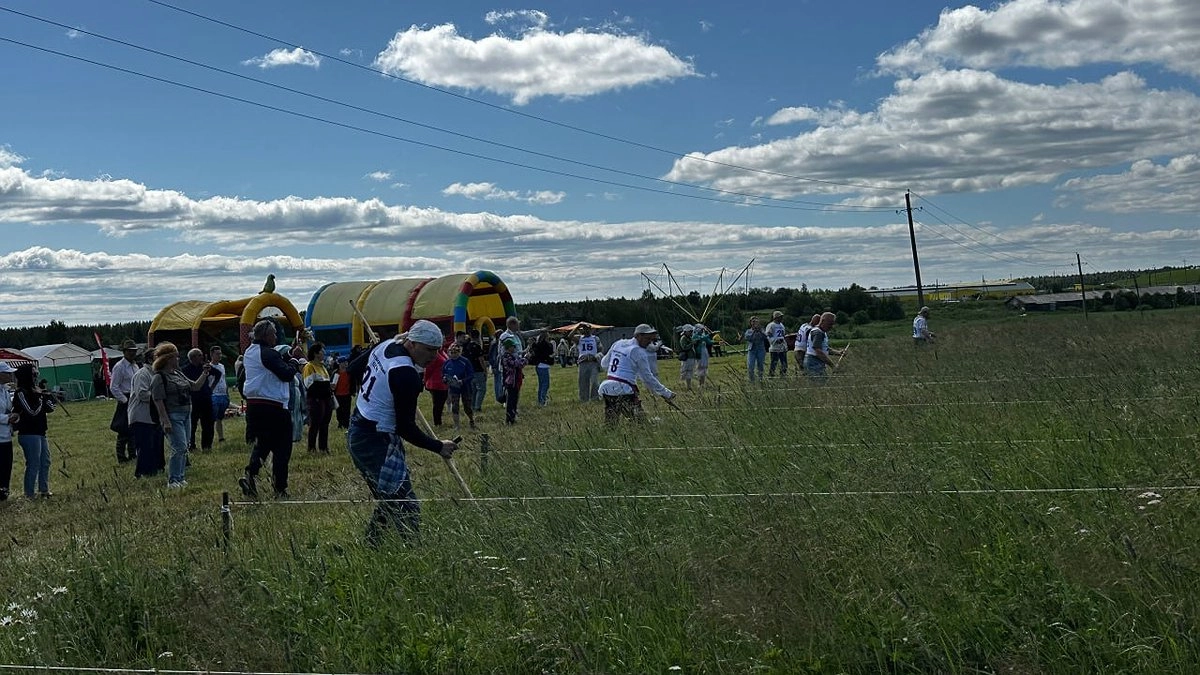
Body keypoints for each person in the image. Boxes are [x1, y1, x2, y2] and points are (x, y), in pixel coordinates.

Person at [346, 320, 458, 546]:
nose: (434, 356)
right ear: (412, 343)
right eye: (429, 350)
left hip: (359, 427)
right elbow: (405, 428)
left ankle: (371, 546)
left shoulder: (385, 345)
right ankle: (413, 553)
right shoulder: (405, 374)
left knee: (390, 500)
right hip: (375, 438)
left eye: (437, 350)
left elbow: (353, 369)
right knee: (407, 506)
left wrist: (379, 379)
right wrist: (438, 446)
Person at [238, 320, 300, 500]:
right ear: (266, 335)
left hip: (255, 405)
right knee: (282, 448)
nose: (275, 337)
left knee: (263, 444)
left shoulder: (250, 352)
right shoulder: (268, 354)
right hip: (273, 405)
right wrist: (295, 360)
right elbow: (286, 374)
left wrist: (287, 356)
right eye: (273, 334)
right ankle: (280, 488)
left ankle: (251, 475)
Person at [151, 342, 210, 489]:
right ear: (168, 359)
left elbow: (195, 386)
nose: (178, 359)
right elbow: (158, 400)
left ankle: (181, 476)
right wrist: (165, 421)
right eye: (176, 357)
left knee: (185, 447)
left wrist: (205, 374)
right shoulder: (159, 377)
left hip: (186, 414)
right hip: (173, 415)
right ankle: (173, 479)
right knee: (179, 447)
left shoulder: (178, 373)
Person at [598, 324, 675, 424]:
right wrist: (666, 393)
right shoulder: (638, 352)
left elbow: (604, 363)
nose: (649, 342)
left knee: (611, 424)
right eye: (647, 339)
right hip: (624, 390)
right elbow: (647, 377)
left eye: (651, 339)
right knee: (641, 424)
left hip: (607, 388)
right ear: (638, 336)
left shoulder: (618, 343)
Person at [13, 364, 57, 498]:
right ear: (26, 375)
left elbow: (51, 408)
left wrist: (47, 395)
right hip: (28, 433)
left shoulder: (36, 390)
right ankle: (29, 493)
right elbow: (31, 412)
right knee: (33, 463)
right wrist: (41, 398)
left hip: (41, 432)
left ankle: (44, 490)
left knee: (45, 461)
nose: (36, 376)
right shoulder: (21, 392)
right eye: (33, 374)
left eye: (36, 373)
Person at [128, 347, 165, 478]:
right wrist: (159, 397)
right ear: (150, 360)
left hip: (154, 416)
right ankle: (143, 473)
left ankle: (156, 470)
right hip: (141, 417)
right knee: (145, 447)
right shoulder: (142, 374)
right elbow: (142, 394)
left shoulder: (156, 373)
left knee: (156, 445)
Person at [108, 339, 139, 463]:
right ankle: (121, 457)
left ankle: (133, 454)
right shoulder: (119, 367)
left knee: (133, 428)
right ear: (124, 352)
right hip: (126, 399)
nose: (132, 354)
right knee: (123, 430)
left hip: (135, 398)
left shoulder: (135, 366)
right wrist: (124, 400)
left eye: (134, 351)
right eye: (130, 351)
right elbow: (113, 386)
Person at [303, 342, 335, 453]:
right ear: (316, 353)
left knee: (325, 424)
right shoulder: (309, 366)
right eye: (322, 351)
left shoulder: (323, 367)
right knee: (315, 424)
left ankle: (323, 447)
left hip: (326, 398)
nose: (324, 353)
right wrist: (326, 385)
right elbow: (309, 384)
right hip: (316, 399)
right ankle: (311, 448)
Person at [181, 348, 215, 453]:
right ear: (193, 357)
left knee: (208, 423)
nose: (202, 357)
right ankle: (191, 445)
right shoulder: (185, 370)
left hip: (205, 398)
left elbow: (217, 374)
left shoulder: (204, 367)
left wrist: (211, 387)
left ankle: (207, 445)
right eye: (199, 355)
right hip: (193, 399)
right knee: (192, 424)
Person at [442, 342, 476, 430]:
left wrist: (463, 381)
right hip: (453, 388)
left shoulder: (465, 361)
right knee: (455, 406)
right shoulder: (446, 363)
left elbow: (471, 374)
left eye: (455, 352)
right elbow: (443, 374)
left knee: (467, 406)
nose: (453, 354)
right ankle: (456, 425)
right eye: (451, 352)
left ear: (459, 352)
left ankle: (471, 420)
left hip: (465, 387)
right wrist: (445, 379)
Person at [804, 312, 844, 381]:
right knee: (820, 386)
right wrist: (832, 365)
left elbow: (825, 348)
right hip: (813, 363)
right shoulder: (818, 333)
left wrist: (839, 353)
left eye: (832, 324)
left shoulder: (821, 332)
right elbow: (818, 351)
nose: (831, 327)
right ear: (822, 321)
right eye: (830, 324)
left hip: (815, 362)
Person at [500, 338, 526, 424]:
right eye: (513, 346)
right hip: (511, 381)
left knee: (515, 399)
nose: (514, 348)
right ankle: (509, 418)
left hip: (515, 380)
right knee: (511, 400)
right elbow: (516, 364)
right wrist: (525, 359)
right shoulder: (506, 356)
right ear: (508, 347)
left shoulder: (511, 356)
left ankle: (513, 417)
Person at [574, 323, 604, 402]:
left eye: (588, 329)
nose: (586, 330)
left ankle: (595, 398)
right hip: (583, 362)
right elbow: (569, 336)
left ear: (590, 330)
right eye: (584, 329)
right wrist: (577, 326)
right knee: (583, 382)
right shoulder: (579, 338)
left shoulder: (595, 338)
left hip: (593, 362)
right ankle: (584, 398)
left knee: (595, 381)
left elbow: (600, 349)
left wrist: (597, 356)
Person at [0, 362, 16, 500]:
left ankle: (5, 489)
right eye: (7, 373)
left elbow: (8, 408)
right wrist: (7, 418)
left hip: (6, 435)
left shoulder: (5, 391)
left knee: (7, 464)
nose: (10, 375)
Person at [423, 345, 449, 427]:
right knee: (438, 404)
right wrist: (425, 380)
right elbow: (428, 369)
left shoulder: (442, 353)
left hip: (443, 383)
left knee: (440, 403)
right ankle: (437, 422)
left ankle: (438, 421)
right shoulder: (435, 356)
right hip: (436, 383)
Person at [208, 346, 229, 443]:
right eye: (217, 354)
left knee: (220, 418)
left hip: (223, 394)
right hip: (214, 395)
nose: (219, 356)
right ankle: (210, 437)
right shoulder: (208, 367)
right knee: (212, 417)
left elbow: (224, 379)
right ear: (211, 355)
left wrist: (227, 393)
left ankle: (221, 437)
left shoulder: (222, 366)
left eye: (220, 353)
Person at [463, 330, 488, 413]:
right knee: (481, 389)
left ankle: (472, 406)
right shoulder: (477, 347)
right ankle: (477, 406)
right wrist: (485, 370)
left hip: (469, 371)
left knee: (473, 390)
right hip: (478, 370)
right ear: (478, 336)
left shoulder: (466, 346)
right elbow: (481, 360)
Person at [529, 332, 555, 406]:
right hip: (544, 365)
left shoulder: (537, 345)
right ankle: (543, 400)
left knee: (541, 384)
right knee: (545, 384)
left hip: (538, 365)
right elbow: (550, 353)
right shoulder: (546, 345)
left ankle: (540, 400)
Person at [743, 316, 768, 382]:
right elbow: (748, 338)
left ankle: (760, 379)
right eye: (753, 321)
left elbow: (765, 337)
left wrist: (760, 331)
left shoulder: (762, 330)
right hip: (752, 350)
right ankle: (752, 380)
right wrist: (754, 331)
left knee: (760, 365)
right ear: (750, 323)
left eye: (756, 321)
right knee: (750, 366)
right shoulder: (748, 331)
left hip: (761, 349)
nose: (755, 323)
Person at [766, 311, 789, 377]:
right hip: (775, 348)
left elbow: (783, 334)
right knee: (774, 363)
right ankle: (771, 376)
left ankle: (783, 375)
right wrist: (775, 340)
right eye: (780, 317)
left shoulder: (782, 325)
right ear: (776, 317)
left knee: (784, 364)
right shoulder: (771, 325)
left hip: (782, 347)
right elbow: (768, 334)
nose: (781, 318)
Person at [691, 324, 714, 388]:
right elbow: (700, 339)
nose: (702, 330)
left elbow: (709, 342)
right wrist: (708, 335)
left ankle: (703, 383)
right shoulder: (695, 336)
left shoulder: (703, 336)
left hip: (704, 354)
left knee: (704, 369)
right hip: (699, 354)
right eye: (701, 329)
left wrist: (714, 340)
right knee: (700, 368)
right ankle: (700, 384)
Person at [332, 358, 353, 429]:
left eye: (346, 362)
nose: (345, 364)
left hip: (347, 394)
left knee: (347, 410)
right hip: (338, 395)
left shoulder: (349, 372)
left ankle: (346, 424)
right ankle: (340, 423)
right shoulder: (336, 373)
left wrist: (352, 391)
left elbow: (353, 383)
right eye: (343, 362)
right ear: (339, 364)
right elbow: (332, 384)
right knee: (339, 411)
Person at [677, 325, 698, 391]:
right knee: (684, 371)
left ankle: (689, 386)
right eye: (690, 331)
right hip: (686, 358)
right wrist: (692, 343)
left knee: (690, 372)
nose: (691, 333)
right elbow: (684, 347)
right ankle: (682, 385)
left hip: (691, 357)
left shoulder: (689, 337)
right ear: (686, 332)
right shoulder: (683, 338)